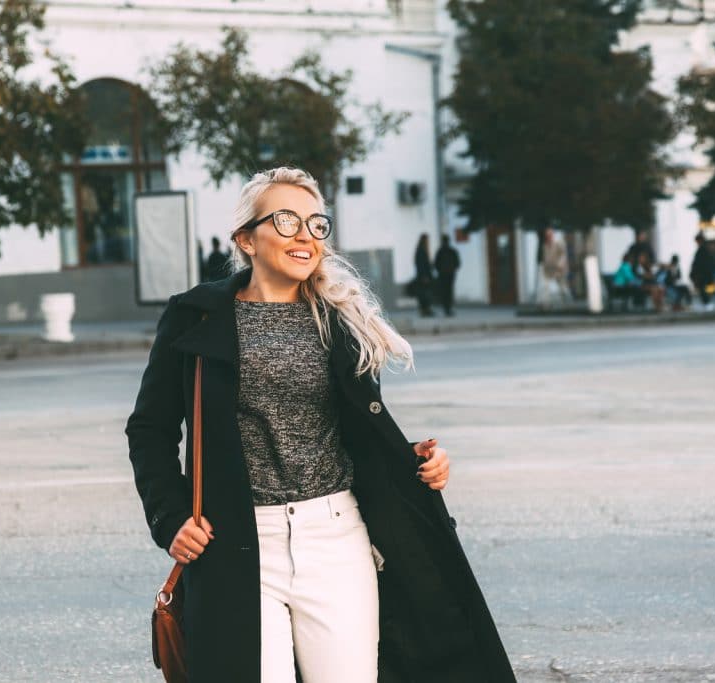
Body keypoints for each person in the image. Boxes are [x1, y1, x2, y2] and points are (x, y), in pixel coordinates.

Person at [126, 168, 515, 682]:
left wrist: (419, 459)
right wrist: (170, 516)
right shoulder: (195, 316)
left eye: (316, 223)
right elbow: (150, 428)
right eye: (286, 221)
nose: (305, 234)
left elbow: (363, 430)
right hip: (238, 541)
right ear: (247, 239)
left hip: (336, 536)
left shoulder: (337, 319)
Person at [535, 227, 570, 308]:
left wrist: (560, 263)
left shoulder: (558, 243)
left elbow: (563, 254)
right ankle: (545, 304)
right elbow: (544, 257)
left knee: (562, 288)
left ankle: (565, 303)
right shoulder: (544, 245)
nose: (548, 237)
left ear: (552, 235)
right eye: (547, 235)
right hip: (548, 269)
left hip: (559, 269)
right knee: (545, 287)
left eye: (550, 235)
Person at [433, 233, 461, 316]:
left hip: (443, 274)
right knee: (449, 291)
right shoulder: (452, 251)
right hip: (450, 274)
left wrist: (440, 271)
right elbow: (458, 263)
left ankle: (446, 308)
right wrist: (452, 269)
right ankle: (448, 308)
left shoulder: (440, 251)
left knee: (444, 292)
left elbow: (436, 263)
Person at [690, 232, 715, 311]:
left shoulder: (703, 249)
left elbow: (701, 263)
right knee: (702, 288)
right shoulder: (704, 248)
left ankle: (707, 303)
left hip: (702, 273)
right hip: (702, 273)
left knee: (702, 288)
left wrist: (697, 273)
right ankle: (706, 303)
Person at [413, 232, 435, 317]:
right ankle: (425, 310)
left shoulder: (421, 250)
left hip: (423, 276)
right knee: (425, 294)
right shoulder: (421, 251)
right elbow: (421, 265)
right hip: (423, 276)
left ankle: (426, 309)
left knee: (425, 293)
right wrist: (424, 276)